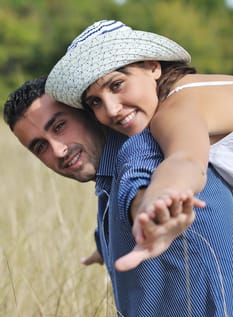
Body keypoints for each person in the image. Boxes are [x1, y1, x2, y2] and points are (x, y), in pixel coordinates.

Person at [3, 77, 233, 317]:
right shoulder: (108, 180)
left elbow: (141, 187)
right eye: (40, 146)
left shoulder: (141, 148)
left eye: (60, 126)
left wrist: (148, 212)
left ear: (88, 111)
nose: (59, 150)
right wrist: (106, 242)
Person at [45, 20, 233, 269]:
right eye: (95, 102)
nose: (110, 109)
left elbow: (185, 159)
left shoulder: (174, 110)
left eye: (117, 85)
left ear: (153, 66)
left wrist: (160, 197)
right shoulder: (191, 89)